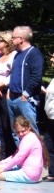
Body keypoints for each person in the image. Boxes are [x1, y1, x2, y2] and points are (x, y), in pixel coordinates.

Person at [6, 26, 44, 139]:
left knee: (30, 132)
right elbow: (14, 74)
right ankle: (22, 156)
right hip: (12, 98)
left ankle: (37, 156)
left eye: (13, 37)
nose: (11, 40)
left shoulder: (34, 54)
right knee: (16, 133)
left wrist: (25, 94)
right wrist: (9, 92)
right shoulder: (17, 54)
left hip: (25, 100)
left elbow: (36, 77)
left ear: (21, 39)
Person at [0, 116, 46, 183]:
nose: (20, 134)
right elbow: (15, 155)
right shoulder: (29, 136)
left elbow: (18, 157)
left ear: (29, 127)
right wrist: (2, 163)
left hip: (28, 175)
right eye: (17, 132)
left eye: (23, 131)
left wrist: (3, 168)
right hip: (31, 174)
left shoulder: (29, 139)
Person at [0, 30, 17, 159]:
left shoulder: (14, 55)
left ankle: (12, 154)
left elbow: (13, 75)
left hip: (6, 92)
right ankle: (3, 156)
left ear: (7, 42)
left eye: (0, 40)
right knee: (0, 127)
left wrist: (2, 85)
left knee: (9, 125)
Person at [43, 51, 54, 181]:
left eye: (53, 57)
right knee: (49, 144)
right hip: (51, 117)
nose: (51, 60)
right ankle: (52, 173)